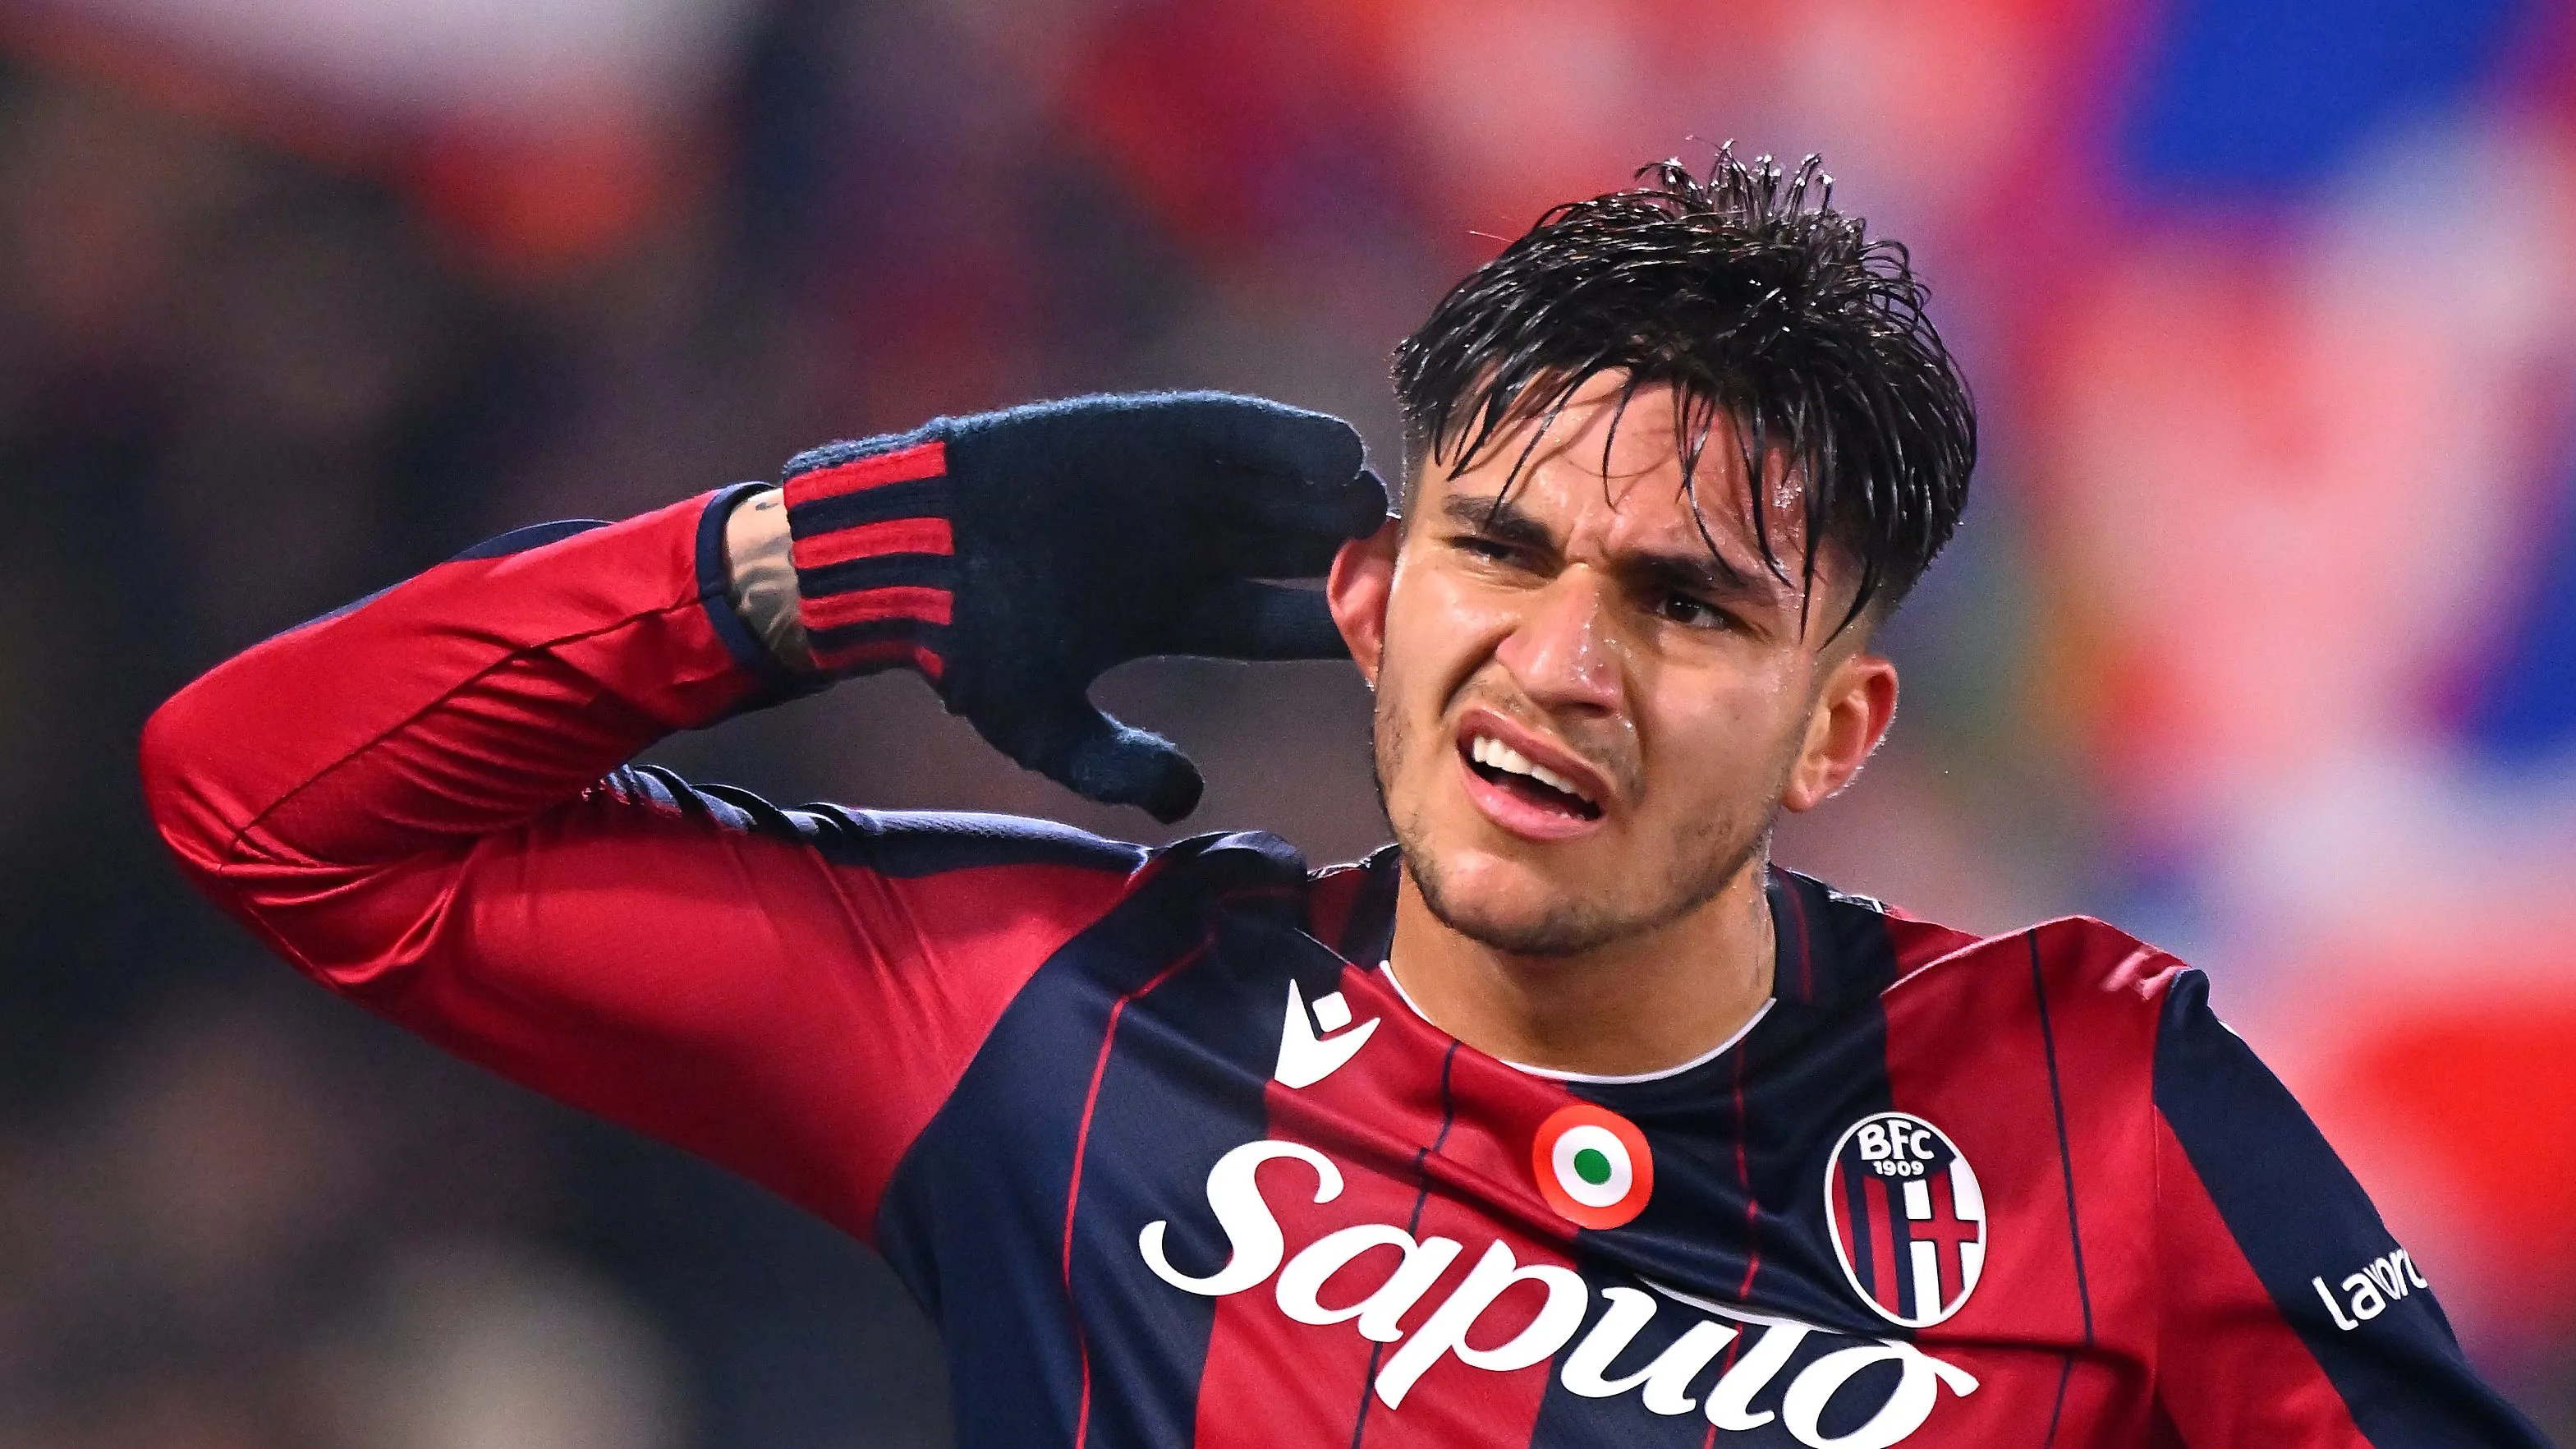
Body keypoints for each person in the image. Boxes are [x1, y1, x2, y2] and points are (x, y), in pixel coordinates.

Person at [141, 152, 2543, 1447]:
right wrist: (814, 559)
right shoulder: (1049, 1015)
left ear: (1841, 733)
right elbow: (272, 806)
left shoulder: (2100, 1105)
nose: (1563, 662)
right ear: (1378, 599)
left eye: (1690, 607)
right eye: (1502, 548)